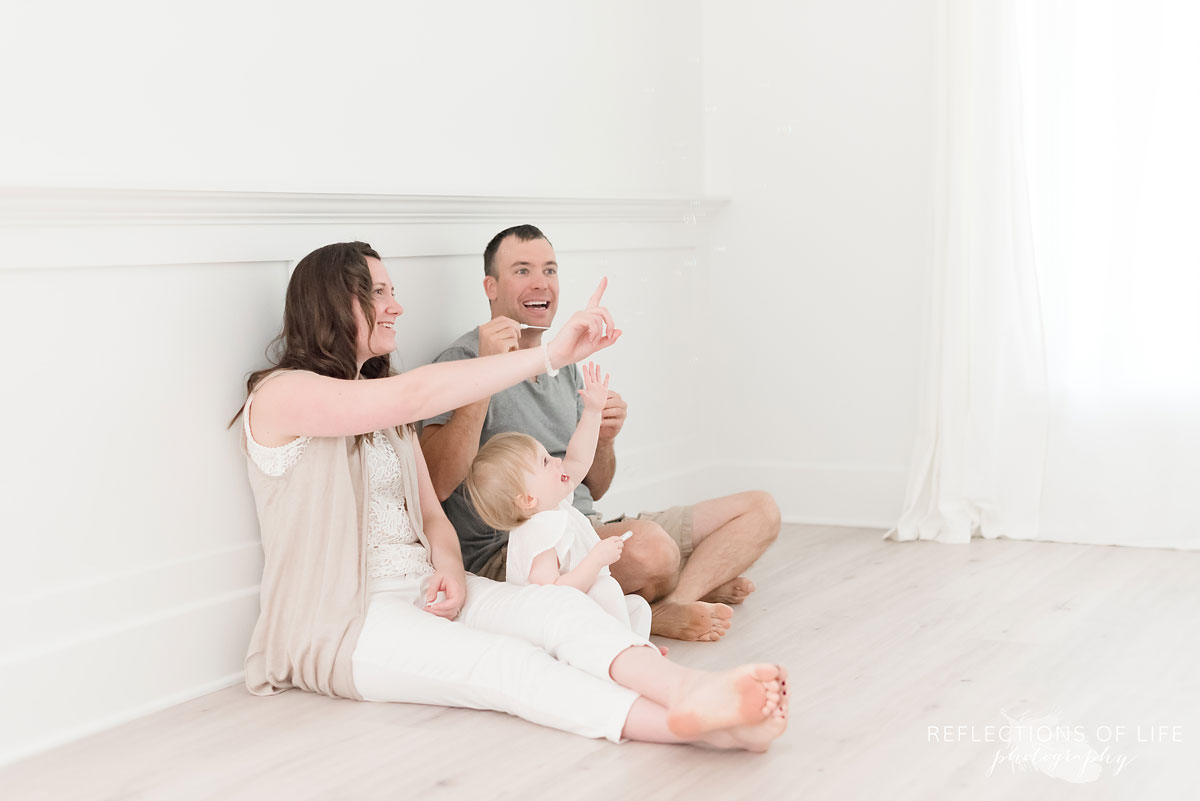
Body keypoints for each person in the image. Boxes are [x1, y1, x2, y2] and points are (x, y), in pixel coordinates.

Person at [233, 240, 788, 750]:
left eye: (393, 291)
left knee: (558, 609)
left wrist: (448, 567)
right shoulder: (281, 395)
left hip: (423, 589)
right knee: (507, 664)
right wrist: (551, 355)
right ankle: (696, 729)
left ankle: (693, 692)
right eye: (378, 292)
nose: (396, 306)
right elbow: (415, 396)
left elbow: (431, 515)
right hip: (344, 625)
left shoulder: (382, 409)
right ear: (331, 304)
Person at [420, 225, 783, 642]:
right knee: (652, 549)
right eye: (522, 270)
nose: (541, 283)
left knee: (760, 510)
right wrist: (484, 375)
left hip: (583, 524)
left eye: (550, 270)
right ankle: (676, 585)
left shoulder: (564, 365)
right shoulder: (461, 361)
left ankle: (674, 599)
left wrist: (605, 436)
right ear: (491, 286)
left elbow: (595, 485)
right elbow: (438, 483)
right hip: (522, 551)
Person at [466, 362, 653, 641]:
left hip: (579, 606)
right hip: (556, 620)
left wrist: (591, 412)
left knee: (636, 607)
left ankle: (632, 646)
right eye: (545, 462)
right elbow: (554, 592)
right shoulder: (537, 533)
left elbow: (577, 459)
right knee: (606, 590)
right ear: (528, 499)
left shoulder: (553, 504)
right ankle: (623, 650)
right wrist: (596, 559)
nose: (557, 461)